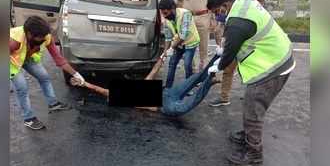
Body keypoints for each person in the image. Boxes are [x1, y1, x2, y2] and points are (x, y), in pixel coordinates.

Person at [207, 0, 296, 165]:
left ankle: (254, 152)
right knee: (251, 106)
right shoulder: (243, 0)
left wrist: (217, 66)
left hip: (273, 67)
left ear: (225, 5)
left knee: (253, 110)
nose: (217, 16)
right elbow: (233, 40)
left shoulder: (237, 21)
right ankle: (247, 135)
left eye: (217, 12)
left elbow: (229, 54)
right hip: (279, 58)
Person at [70, 55, 221, 116]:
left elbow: (154, 71)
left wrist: (163, 57)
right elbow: (101, 91)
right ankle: (210, 79)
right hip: (165, 104)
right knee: (187, 104)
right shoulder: (125, 97)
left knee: (193, 79)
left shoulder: (136, 89)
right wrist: (84, 84)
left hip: (168, 94)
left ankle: (218, 56)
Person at [10, 16, 85, 130]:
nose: (44, 39)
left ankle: (53, 104)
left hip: (27, 56)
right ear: (29, 34)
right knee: (22, 87)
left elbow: (58, 59)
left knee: (44, 77)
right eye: (41, 37)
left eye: (45, 36)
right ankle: (28, 118)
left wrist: (75, 74)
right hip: (11, 61)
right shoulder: (14, 41)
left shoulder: (46, 37)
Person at [177, 0, 214, 71]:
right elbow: (179, 1)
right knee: (188, 47)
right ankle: (191, 75)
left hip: (203, 18)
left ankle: (202, 74)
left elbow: (212, 0)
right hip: (188, 19)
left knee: (203, 48)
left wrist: (213, 19)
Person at [209, 0, 240, 107]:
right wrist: (222, 40)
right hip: (233, 40)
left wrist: (220, 64)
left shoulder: (241, 6)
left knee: (231, 68)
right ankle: (224, 97)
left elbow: (236, 28)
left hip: (245, 44)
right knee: (228, 70)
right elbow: (224, 23)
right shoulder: (228, 6)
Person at [159, 0, 200, 88]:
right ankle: (168, 87)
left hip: (190, 42)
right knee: (172, 63)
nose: (164, 16)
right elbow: (168, 38)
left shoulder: (185, 14)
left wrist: (172, 48)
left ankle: (188, 87)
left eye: (165, 13)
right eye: (162, 13)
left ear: (173, 8)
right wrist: (165, 51)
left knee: (187, 64)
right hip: (179, 44)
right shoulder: (166, 20)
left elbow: (183, 35)